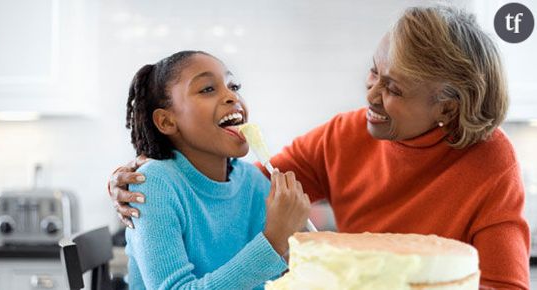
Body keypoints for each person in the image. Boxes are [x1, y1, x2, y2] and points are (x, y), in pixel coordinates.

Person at [109, 7, 531, 289]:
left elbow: (505, 284)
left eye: (394, 88)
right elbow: (244, 187)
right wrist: (135, 177)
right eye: (373, 73)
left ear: (448, 104)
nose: (370, 96)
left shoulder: (490, 160)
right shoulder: (345, 135)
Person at [120, 50, 311, 290]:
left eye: (234, 86)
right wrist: (273, 241)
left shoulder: (252, 181)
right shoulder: (153, 184)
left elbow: (279, 276)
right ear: (167, 122)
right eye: (207, 89)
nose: (232, 96)